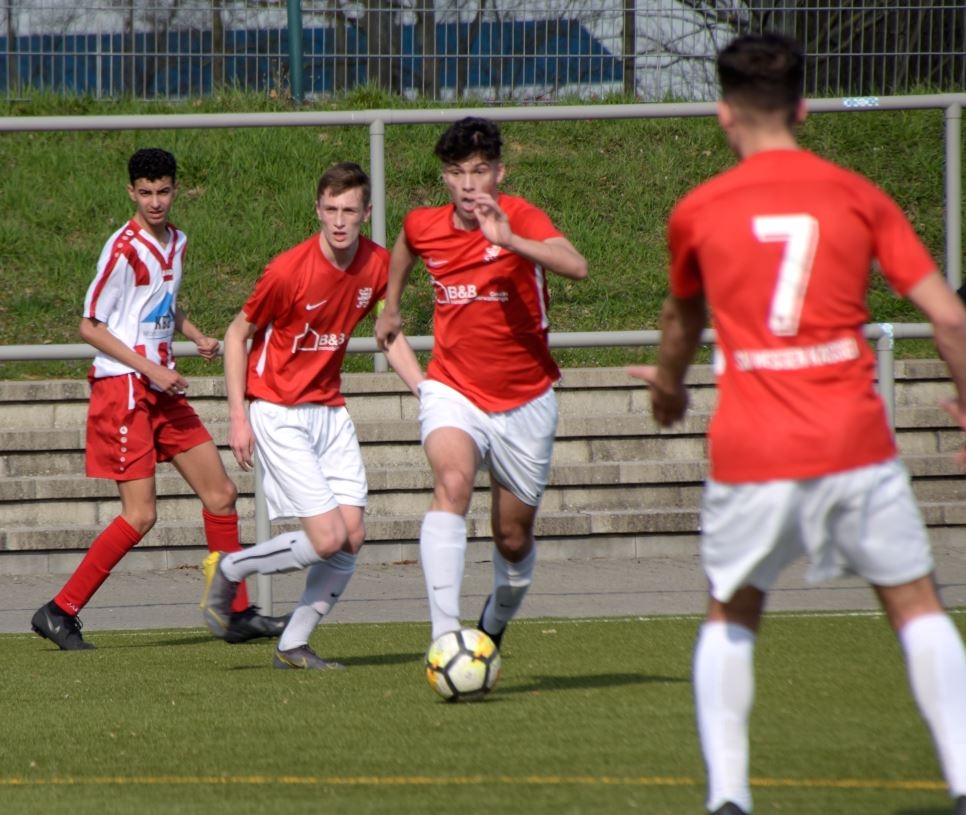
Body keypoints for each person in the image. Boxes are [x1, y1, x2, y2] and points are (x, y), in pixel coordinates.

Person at [629, 33, 966, 815]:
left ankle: (729, 799)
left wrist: (669, 389)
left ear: (723, 114)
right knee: (914, 602)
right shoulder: (858, 194)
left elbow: (681, 321)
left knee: (733, 609)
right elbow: (949, 317)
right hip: (854, 440)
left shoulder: (699, 211)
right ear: (804, 108)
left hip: (752, 449)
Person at [30, 148, 286, 651]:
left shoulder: (177, 242)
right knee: (141, 515)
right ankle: (59, 611)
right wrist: (150, 368)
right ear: (131, 192)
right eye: (145, 192)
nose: (155, 201)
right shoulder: (121, 249)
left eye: (163, 191)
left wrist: (195, 334)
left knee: (221, 495)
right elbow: (89, 325)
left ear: (176, 189)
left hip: (159, 385)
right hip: (124, 389)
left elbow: (162, 301)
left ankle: (233, 613)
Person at [199, 161, 423, 670]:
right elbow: (238, 335)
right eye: (330, 210)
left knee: (353, 537)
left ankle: (293, 645)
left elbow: (387, 333)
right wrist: (238, 415)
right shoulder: (287, 271)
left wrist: (423, 389)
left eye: (350, 210)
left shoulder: (378, 264)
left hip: (329, 409)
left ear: (367, 212)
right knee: (327, 539)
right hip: (278, 410)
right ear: (317, 211)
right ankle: (230, 568)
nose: (340, 221)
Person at [374, 117, 588, 649]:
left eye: (479, 172)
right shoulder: (426, 223)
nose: (469, 185)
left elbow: (576, 265)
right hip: (454, 388)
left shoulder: (520, 217)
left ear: (499, 173)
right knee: (451, 483)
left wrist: (511, 240)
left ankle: (492, 624)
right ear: (444, 178)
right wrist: (391, 306)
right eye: (456, 173)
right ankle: (446, 636)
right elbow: (404, 243)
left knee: (512, 540)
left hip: (526, 399)